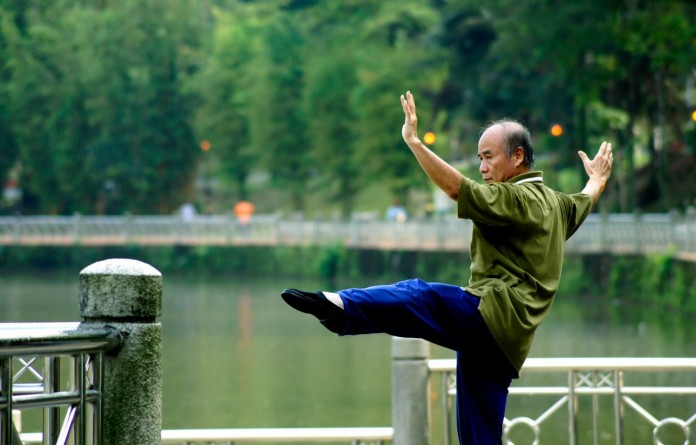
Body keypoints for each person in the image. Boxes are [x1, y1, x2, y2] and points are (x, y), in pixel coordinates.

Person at [280, 91, 613, 445]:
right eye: (479, 158)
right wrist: (598, 179)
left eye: (489, 157)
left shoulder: (513, 197)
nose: (483, 167)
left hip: (491, 315)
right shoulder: (557, 204)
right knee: (479, 435)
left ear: (518, 157)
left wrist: (414, 143)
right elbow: (585, 200)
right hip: (508, 343)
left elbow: (457, 189)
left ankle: (344, 309)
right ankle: (343, 310)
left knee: (421, 297)